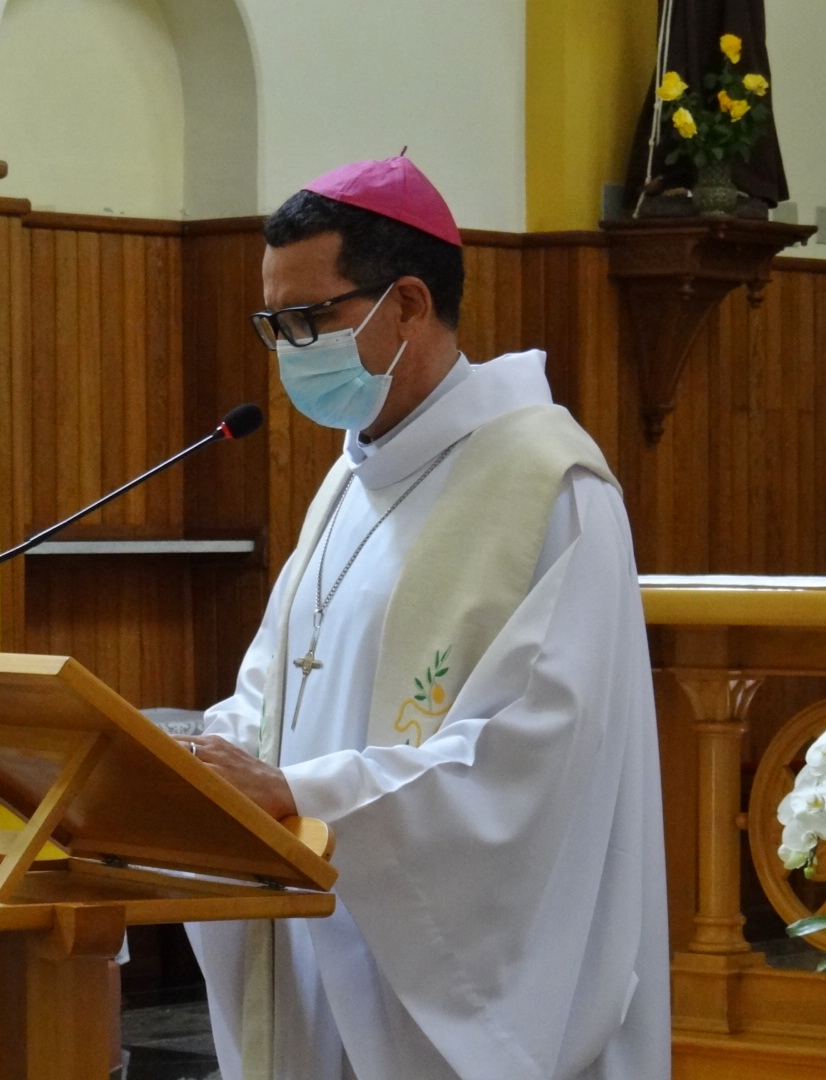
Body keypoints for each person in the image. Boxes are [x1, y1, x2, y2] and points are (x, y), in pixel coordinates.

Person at [178, 155, 670, 1080]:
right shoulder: (352, 478)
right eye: (272, 325)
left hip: (440, 971)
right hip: (315, 930)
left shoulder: (548, 484)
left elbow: (531, 762)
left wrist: (303, 795)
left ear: (407, 304)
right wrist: (203, 762)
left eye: (308, 319)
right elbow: (274, 683)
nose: (288, 350)